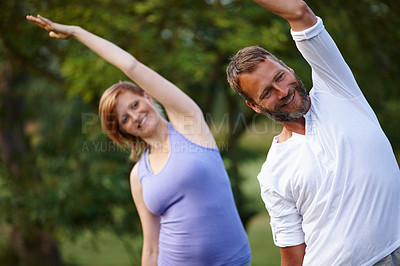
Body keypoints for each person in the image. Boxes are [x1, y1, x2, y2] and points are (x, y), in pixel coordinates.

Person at [26, 15, 251, 266]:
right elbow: (152, 247)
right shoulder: (139, 175)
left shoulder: (190, 126)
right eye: (124, 118)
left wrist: (77, 32)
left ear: (148, 96)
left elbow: (131, 66)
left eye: (135, 104)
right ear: (123, 130)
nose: (135, 116)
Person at [226, 0, 400, 265]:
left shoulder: (337, 89)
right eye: (267, 92)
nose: (283, 91)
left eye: (279, 77)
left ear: (288, 66)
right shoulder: (273, 174)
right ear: (254, 106)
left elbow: (299, 12)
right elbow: (293, 257)